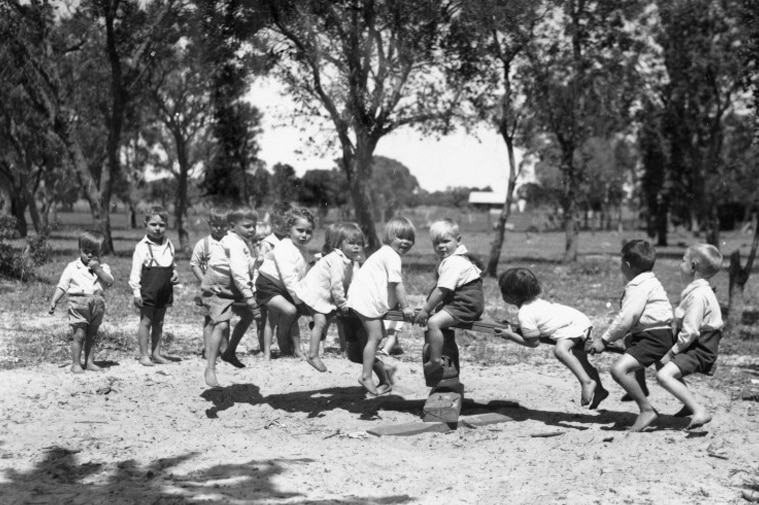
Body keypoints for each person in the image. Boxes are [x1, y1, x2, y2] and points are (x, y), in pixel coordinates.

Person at [590, 239, 674, 432]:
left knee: (619, 370)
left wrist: (604, 340)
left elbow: (627, 317)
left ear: (627, 265)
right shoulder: (651, 280)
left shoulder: (637, 287)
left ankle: (646, 410)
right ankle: (646, 388)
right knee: (629, 344)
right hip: (658, 333)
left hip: (653, 337)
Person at [495, 267, 608, 408]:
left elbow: (533, 343)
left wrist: (510, 335)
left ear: (512, 297)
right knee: (582, 362)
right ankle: (600, 391)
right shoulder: (534, 301)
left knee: (561, 351)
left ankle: (587, 382)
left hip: (572, 326)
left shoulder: (525, 313)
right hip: (577, 320)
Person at [656, 244, 723, 429]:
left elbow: (690, 332)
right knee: (659, 358)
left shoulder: (699, 295)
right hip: (694, 343)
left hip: (700, 347)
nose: (680, 264)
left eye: (683, 260)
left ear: (693, 266)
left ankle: (699, 410)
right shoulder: (695, 291)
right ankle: (687, 404)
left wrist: (672, 352)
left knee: (663, 376)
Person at [347, 217, 416, 396]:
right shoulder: (392, 256)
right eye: (400, 237)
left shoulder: (384, 253)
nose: (405, 242)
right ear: (389, 237)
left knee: (374, 337)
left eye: (409, 239)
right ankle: (366, 376)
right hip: (365, 300)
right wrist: (406, 307)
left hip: (363, 297)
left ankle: (378, 377)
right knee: (375, 337)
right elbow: (396, 284)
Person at [414, 218, 484, 378]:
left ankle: (436, 360)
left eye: (446, 241)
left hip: (465, 305)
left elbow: (441, 290)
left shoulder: (454, 262)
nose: (441, 246)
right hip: (463, 303)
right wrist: (427, 306)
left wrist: (426, 310)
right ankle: (443, 356)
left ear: (458, 240)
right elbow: (438, 288)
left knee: (433, 323)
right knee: (436, 318)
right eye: (436, 243)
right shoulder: (455, 259)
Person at [201, 207, 259, 387]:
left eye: (254, 226)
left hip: (232, 283)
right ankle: (210, 368)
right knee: (221, 324)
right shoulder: (233, 242)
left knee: (247, 315)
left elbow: (247, 266)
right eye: (247, 226)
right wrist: (249, 297)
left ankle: (229, 352)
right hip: (218, 283)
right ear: (233, 226)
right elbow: (239, 271)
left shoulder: (243, 241)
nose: (252, 230)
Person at [297, 222, 363, 372]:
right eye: (351, 243)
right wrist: (343, 304)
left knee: (327, 317)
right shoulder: (336, 259)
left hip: (324, 293)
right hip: (315, 292)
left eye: (359, 243)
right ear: (339, 244)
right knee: (320, 322)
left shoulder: (351, 260)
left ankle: (317, 334)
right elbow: (336, 285)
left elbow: (353, 281)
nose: (356, 247)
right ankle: (312, 354)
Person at [49, 230, 114, 374]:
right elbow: (63, 285)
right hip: (78, 303)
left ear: (100, 251)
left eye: (94, 251)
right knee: (79, 334)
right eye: (85, 251)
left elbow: (109, 282)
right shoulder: (72, 267)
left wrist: (97, 269)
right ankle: (76, 363)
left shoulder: (103, 267)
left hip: (97, 303)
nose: (89, 255)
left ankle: (90, 362)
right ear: (79, 250)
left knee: (92, 334)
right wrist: (55, 300)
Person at [255, 207, 315, 359]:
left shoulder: (303, 250)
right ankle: (279, 343)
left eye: (308, 232)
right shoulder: (284, 247)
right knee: (290, 311)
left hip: (284, 288)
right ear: (289, 229)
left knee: (291, 316)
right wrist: (298, 300)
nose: (304, 235)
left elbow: (300, 275)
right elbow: (288, 277)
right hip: (268, 284)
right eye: (300, 230)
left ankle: (293, 349)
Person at [129, 207, 179, 367]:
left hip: (164, 289)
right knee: (146, 321)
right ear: (146, 225)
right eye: (153, 224)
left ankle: (156, 353)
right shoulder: (142, 247)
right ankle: (144, 355)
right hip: (148, 289)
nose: (157, 228)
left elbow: (172, 263)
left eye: (161, 225)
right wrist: (136, 292)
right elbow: (135, 272)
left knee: (159, 322)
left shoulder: (169, 244)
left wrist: (175, 273)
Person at [190, 208, 228, 356]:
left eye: (223, 225)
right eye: (215, 225)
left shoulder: (231, 243)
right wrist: (204, 281)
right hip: (209, 288)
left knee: (226, 320)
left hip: (226, 287)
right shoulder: (203, 244)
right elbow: (194, 264)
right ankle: (208, 349)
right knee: (210, 320)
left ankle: (225, 349)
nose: (219, 228)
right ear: (210, 224)